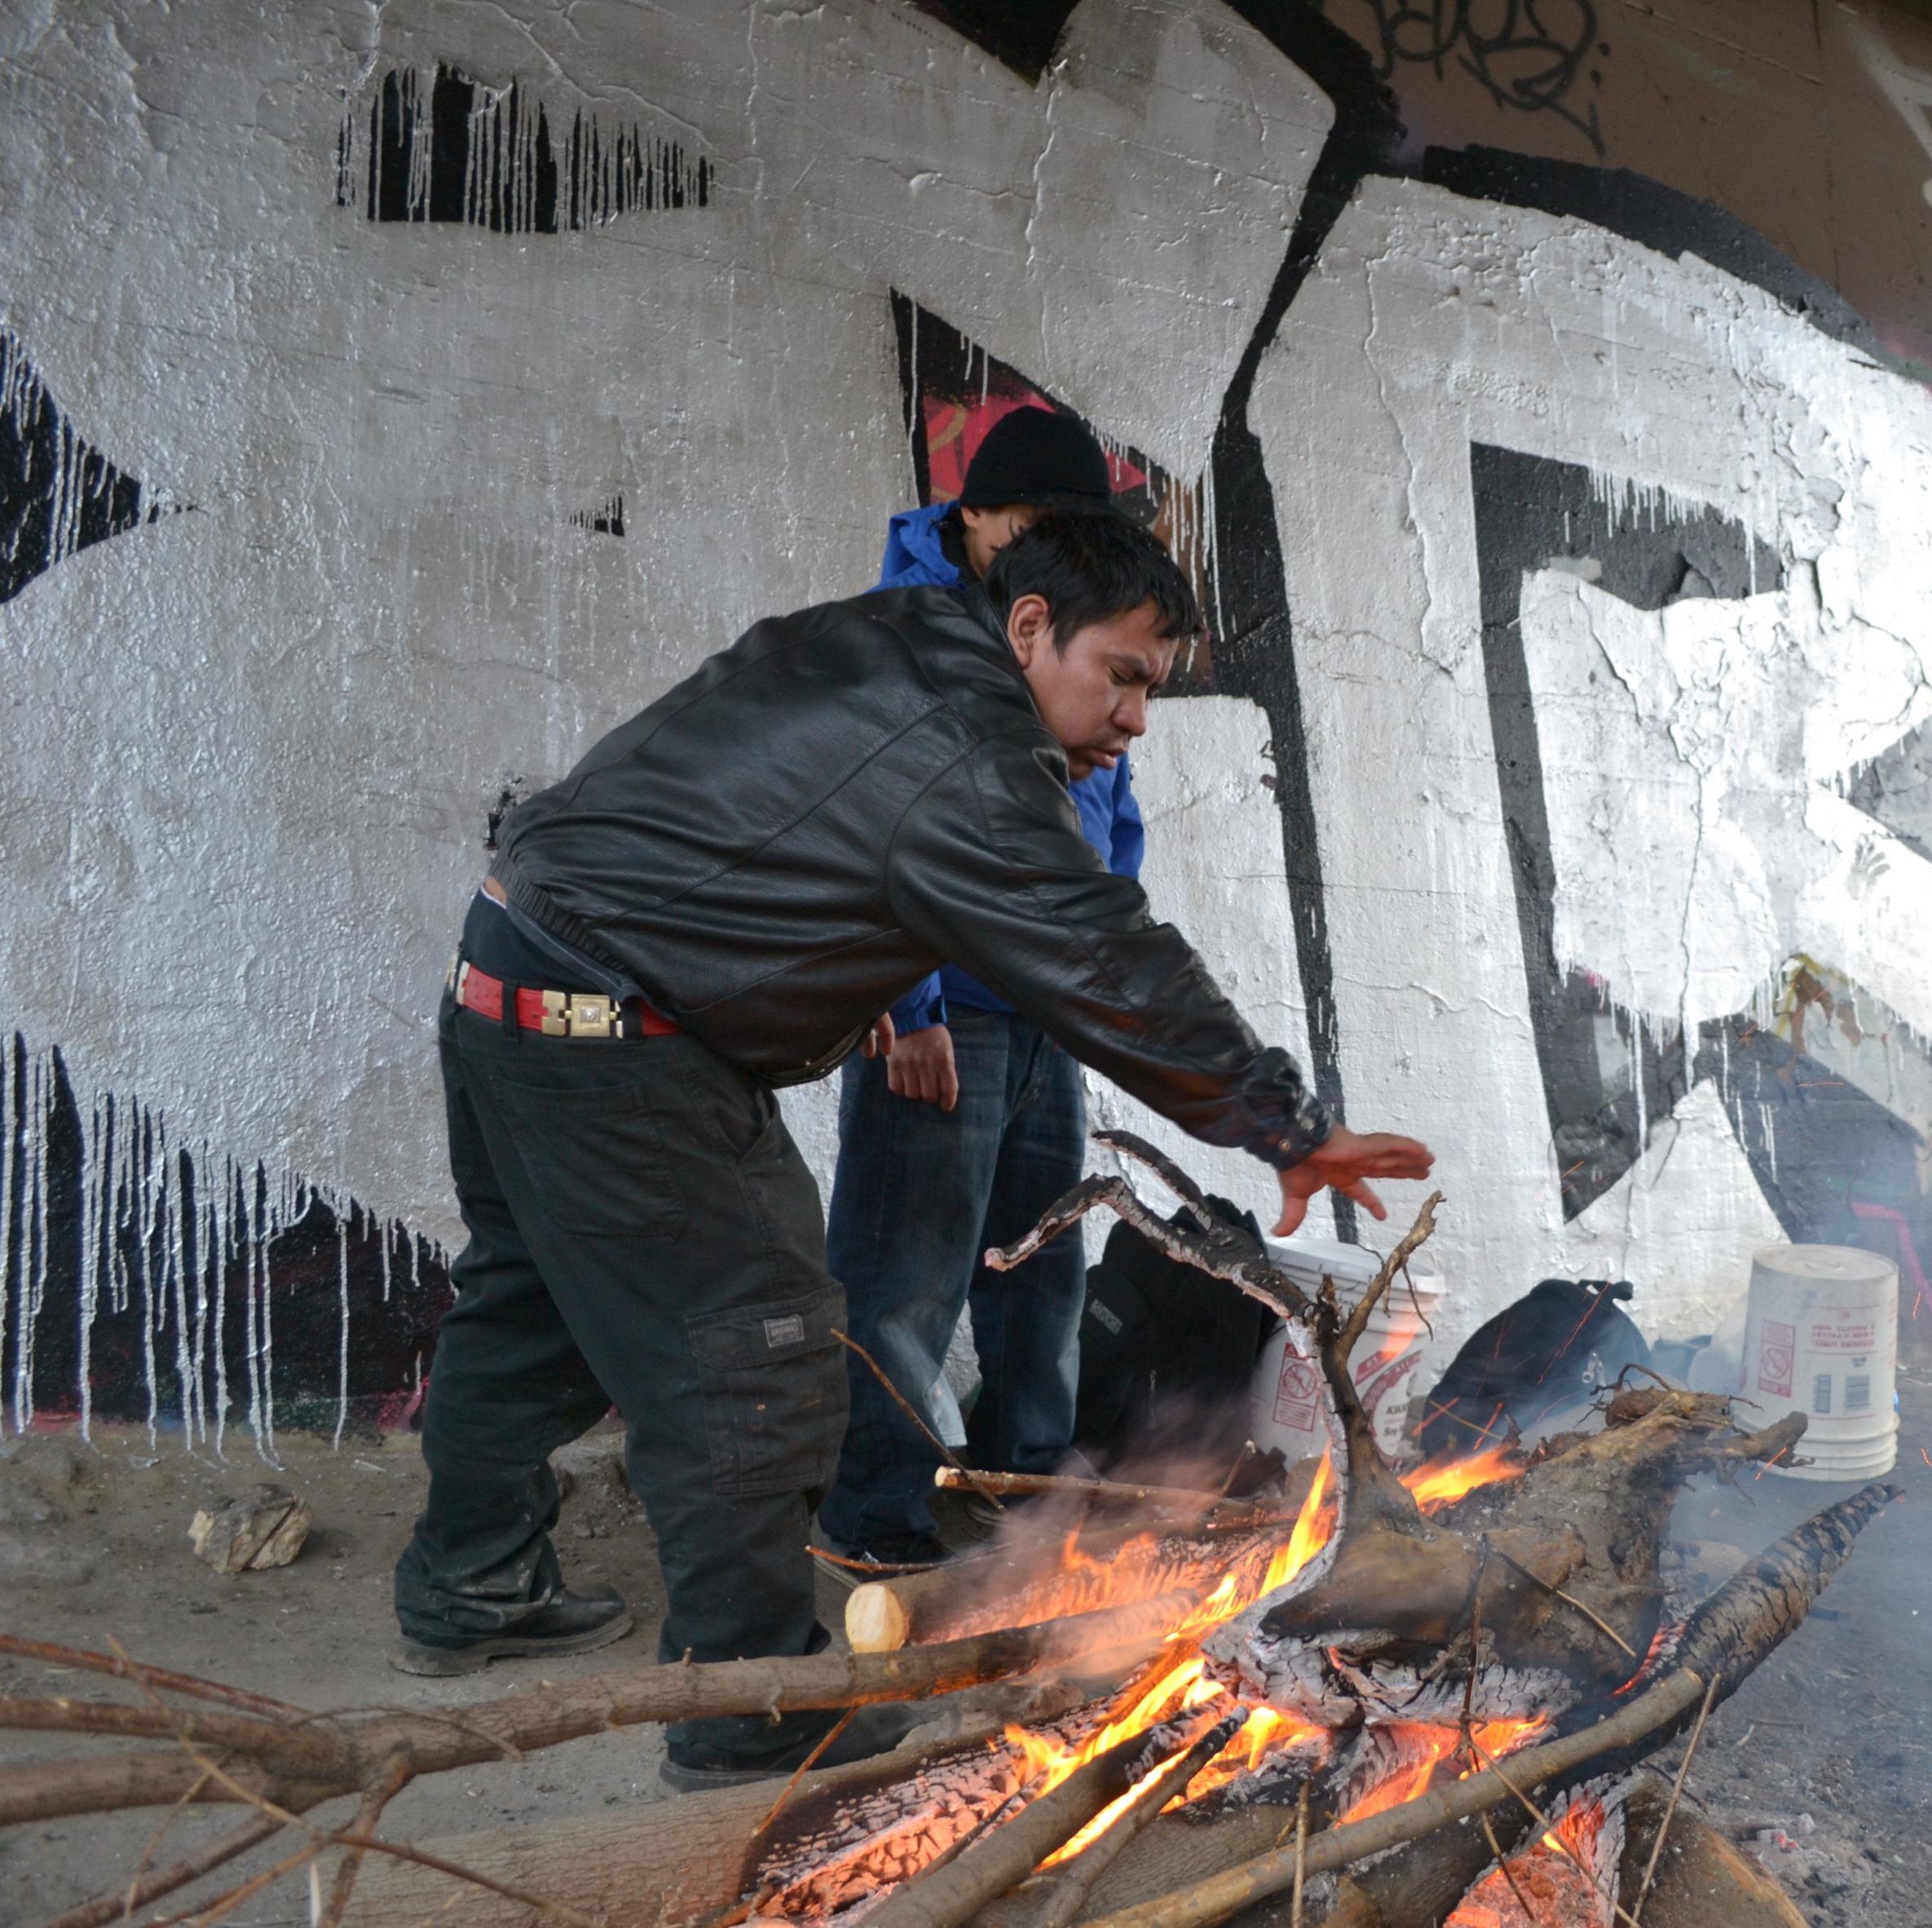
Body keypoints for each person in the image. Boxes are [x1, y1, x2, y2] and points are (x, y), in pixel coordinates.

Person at [394, 510, 1430, 1790]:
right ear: (1032, 625)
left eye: (1153, 690)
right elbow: (1099, 952)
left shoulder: (897, 639)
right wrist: (1281, 1118)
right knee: (756, 1346)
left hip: (515, 974)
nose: (1137, 719)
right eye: (1123, 676)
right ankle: (747, 1708)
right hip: (620, 1030)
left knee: (532, 1298)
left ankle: (472, 1580)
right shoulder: (970, 755)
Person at [822, 405, 1143, 1568]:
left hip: (1042, 1011)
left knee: (1040, 1268)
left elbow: (1112, 810)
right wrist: (904, 1005)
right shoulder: (904, 630)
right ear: (973, 520)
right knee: (902, 1281)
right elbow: (872, 825)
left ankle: (1031, 1494)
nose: (1050, 545)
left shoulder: (1077, 616)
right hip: (942, 1014)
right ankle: (874, 1529)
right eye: (1031, 525)